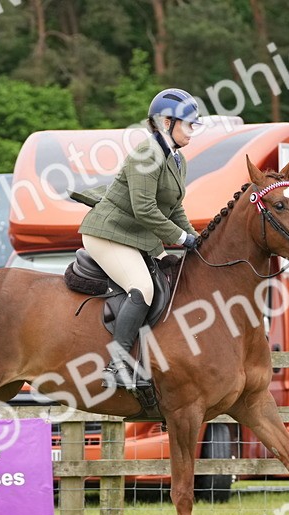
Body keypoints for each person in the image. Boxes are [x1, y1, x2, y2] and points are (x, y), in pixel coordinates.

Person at [79, 88, 202, 390]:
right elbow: (144, 209)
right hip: (108, 233)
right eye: (188, 124)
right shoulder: (146, 155)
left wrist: (198, 239)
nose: (193, 131)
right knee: (143, 287)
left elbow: (175, 208)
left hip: (136, 237)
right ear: (166, 123)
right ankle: (117, 364)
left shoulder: (176, 160)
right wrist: (181, 239)